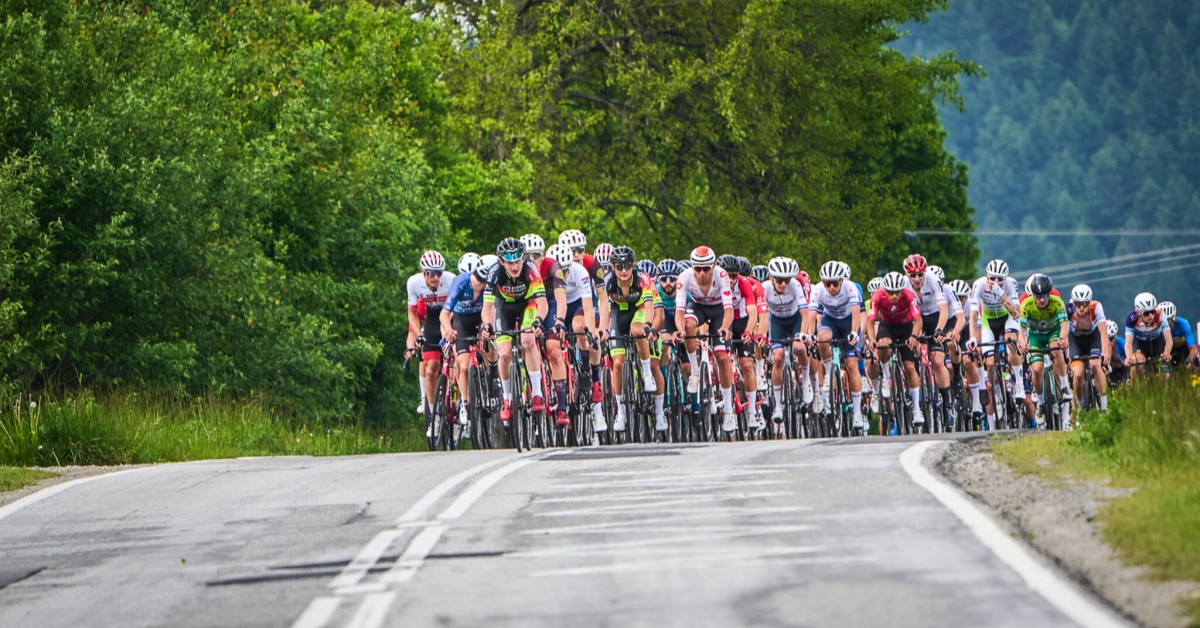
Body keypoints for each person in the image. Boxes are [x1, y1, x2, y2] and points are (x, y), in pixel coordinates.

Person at [480, 238, 549, 425]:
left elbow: (542, 302)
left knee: (527, 340)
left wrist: (538, 321)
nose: (515, 266)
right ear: (502, 261)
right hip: (504, 308)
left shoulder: (530, 269)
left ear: (523, 258)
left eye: (518, 260)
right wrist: (487, 325)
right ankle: (507, 399)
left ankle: (536, 394)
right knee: (503, 354)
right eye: (510, 262)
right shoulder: (494, 272)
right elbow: (487, 308)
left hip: (528, 305)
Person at [673, 246, 738, 433]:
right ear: (692, 267)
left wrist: (725, 328)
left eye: (706, 269)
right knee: (688, 325)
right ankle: (695, 372)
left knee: (722, 357)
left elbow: (728, 309)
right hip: (698, 307)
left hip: (719, 310)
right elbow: (679, 310)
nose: (702, 273)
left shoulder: (722, 275)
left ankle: (728, 409)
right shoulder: (684, 277)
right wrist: (680, 330)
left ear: (713, 266)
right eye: (698, 269)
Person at [599, 246, 663, 433]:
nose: (624, 271)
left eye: (628, 266)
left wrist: (649, 325)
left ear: (633, 265)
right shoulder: (607, 282)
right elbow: (604, 309)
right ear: (612, 266)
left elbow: (650, 306)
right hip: (618, 315)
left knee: (637, 331)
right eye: (619, 267)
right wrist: (602, 330)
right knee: (617, 364)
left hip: (639, 310)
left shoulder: (643, 278)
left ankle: (647, 373)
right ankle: (621, 412)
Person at [808, 260, 865, 430]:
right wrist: (810, 334)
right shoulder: (818, 289)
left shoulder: (850, 287)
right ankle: (827, 374)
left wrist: (855, 332)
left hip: (848, 322)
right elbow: (811, 315)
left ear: (841, 280)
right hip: (831, 321)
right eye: (827, 283)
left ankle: (857, 413)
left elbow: (856, 313)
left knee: (851, 365)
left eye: (834, 283)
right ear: (822, 282)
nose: (831, 287)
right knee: (821, 337)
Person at [865, 271, 924, 427]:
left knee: (910, 368)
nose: (894, 296)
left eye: (897, 292)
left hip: (905, 328)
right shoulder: (877, 297)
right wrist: (872, 339)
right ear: (885, 290)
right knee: (883, 344)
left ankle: (917, 408)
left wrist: (914, 336)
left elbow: (918, 321)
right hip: (887, 327)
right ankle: (885, 377)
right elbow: (870, 323)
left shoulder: (909, 296)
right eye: (890, 292)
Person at [763, 257, 814, 423]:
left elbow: (805, 313)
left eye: (786, 280)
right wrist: (761, 335)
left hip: (795, 320)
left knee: (799, 348)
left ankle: (806, 382)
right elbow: (762, 315)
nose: (783, 284)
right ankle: (778, 405)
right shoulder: (764, 288)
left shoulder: (795, 286)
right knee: (777, 358)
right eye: (779, 280)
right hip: (777, 321)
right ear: (771, 277)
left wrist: (802, 334)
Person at [1018, 274, 1072, 428]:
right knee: (1036, 370)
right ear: (1033, 295)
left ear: (1050, 293)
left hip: (1053, 332)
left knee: (1057, 351)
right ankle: (1041, 404)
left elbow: (1064, 325)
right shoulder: (1026, 305)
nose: (1042, 300)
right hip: (1036, 336)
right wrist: (1022, 344)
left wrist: (1062, 339)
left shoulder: (1057, 302)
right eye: (1038, 296)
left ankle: (1064, 387)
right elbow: (1021, 331)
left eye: (1045, 296)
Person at [406, 251, 456, 416]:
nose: (436, 278)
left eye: (439, 273)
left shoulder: (451, 280)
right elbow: (412, 314)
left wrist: (449, 330)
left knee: (457, 362)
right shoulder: (413, 283)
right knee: (430, 368)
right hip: (432, 320)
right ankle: (431, 409)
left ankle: (458, 403)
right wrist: (417, 335)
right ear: (423, 272)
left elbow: (457, 308)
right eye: (432, 274)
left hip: (450, 316)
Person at [1065, 284, 1109, 411]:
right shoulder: (1068, 310)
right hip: (1075, 340)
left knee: (1095, 365)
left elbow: (1103, 332)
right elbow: (1065, 334)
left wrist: (1105, 352)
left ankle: (1104, 405)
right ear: (1073, 303)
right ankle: (1079, 405)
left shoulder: (1096, 307)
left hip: (1092, 338)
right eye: (1078, 304)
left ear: (1089, 302)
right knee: (1078, 374)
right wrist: (1066, 355)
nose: (1082, 308)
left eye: (1085, 304)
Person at [1123, 292, 1173, 376]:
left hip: (1157, 341)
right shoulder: (1131, 318)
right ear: (1138, 312)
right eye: (1146, 313)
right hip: (1140, 342)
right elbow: (1128, 343)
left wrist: (1167, 352)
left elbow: (1169, 340)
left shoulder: (1160, 315)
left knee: (1165, 373)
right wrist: (1128, 357)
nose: (1150, 316)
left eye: (1153, 312)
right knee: (1136, 360)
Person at [1159, 301, 1197, 367]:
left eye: (1169, 320)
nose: (1166, 324)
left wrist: (1189, 362)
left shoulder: (1183, 324)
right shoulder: (1157, 327)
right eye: (1163, 321)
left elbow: (1193, 349)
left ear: (1175, 318)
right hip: (1166, 350)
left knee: (1195, 361)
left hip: (1183, 349)